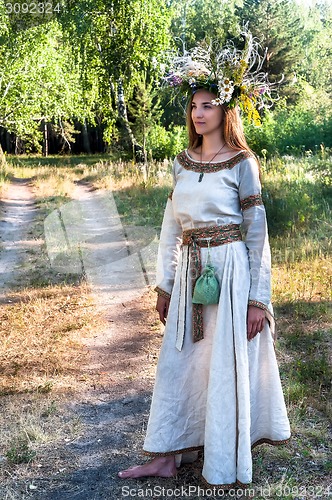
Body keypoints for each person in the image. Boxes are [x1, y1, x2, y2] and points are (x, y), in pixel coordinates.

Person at [118, 30, 291, 487]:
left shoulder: (241, 163)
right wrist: (166, 284)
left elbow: (257, 236)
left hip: (231, 273)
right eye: (194, 105)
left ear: (224, 109)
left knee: (221, 365)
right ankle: (167, 455)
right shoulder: (181, 163)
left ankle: (222, 457)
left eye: (208, 104)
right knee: (180, 363)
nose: (198, 113)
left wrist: (258, 300)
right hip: (192, 271)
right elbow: (171, 228)